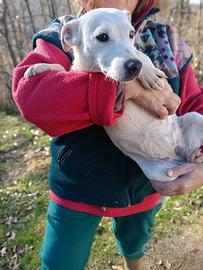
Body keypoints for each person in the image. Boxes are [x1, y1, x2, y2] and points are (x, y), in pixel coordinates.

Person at [12, 0, 203, 269]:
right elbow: (32, 97)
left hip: (148, 182)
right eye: (102, 37)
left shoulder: (167, 42)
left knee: (135, 243)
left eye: (130, 35)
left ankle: (134, 262)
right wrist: (130, 90)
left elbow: (196, 105)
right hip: (77, 188)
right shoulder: (62, 32)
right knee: (59, 261)